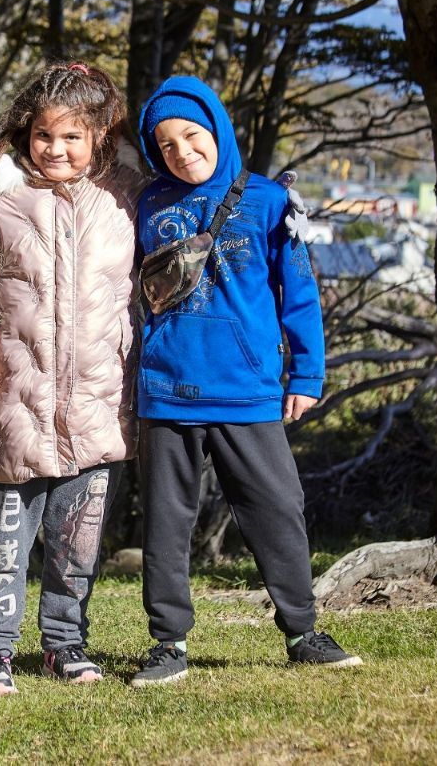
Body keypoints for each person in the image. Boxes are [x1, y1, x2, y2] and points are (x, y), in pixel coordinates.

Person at [0, 61, 146, 697]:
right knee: (7, 540)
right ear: (25, 135)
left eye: (73, 136)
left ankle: (65, 641)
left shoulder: (127, 198)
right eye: (45, 136)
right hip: (15, 399)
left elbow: (158, 277)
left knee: (79, 540)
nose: (57, 149)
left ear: (99, 135)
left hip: (98, 399)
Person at [129, 75, 361, 688]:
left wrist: (306, 373)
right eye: (167, 145)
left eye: (192, 136)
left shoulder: (268, 201)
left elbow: (300, 294)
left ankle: (304, 630)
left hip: (249, 389)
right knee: (166, 521)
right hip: (166, 389)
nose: (182, 152)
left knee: (277, 508)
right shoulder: (148, 204)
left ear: (217, 130)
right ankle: (168, 642)